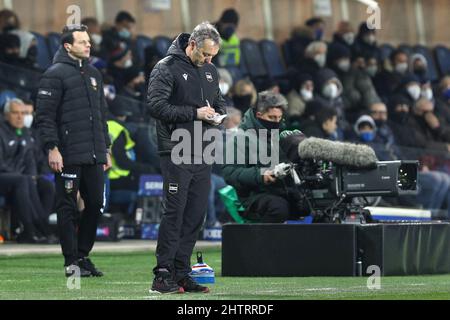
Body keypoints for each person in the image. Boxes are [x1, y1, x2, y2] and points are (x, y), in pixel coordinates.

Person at [146, 22, 225, 294]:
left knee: (195, 216)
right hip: (176, 151)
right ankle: (162, 275)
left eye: (212, 56)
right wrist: (195, 114)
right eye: (204, 54)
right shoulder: (165, 68)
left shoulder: (211, 71)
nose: (208, 60)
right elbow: (156, 106)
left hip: (203, 151)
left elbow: (219, 103)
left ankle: (182, 273)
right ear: (191, 45)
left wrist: (217, 116)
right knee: (174, 213)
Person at [35, 24, 112, 278]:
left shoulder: (94, 75)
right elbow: (44, 116)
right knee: (67, 206)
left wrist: (106, 148)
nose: (88, 45)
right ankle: (71, 262)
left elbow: (101, 115)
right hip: (67, 153)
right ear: (68, 46)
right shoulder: (54, 74)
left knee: (95, 205)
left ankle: (82, 255)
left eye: (88, 41)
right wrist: (52, 148)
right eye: (82, 42)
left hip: (93, 153)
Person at [222, 91, 303, 224]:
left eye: (279, 118)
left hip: (282, 190)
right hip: (253, 195)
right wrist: (261, 175)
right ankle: (259, 243)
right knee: (278, 208)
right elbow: (229, 172)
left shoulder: (281, 136)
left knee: (315, 204)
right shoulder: (240, 138)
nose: (276, 122)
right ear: (259, 115)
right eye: (272, 118)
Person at [0, 99, 54, 243]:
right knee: (23, 180)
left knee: (46, 185)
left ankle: (40, 228)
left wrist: (33, 177)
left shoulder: (24, 132)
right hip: (4, 176)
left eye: (23, 113)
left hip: (19, 179)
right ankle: (33, 231)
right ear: (6, 115)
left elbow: (30, 159)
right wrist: (23, 176)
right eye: (15, 113)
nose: (19, 117)